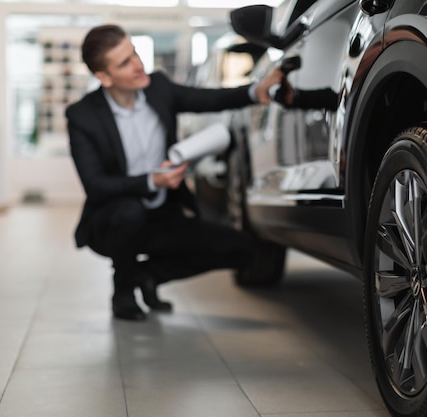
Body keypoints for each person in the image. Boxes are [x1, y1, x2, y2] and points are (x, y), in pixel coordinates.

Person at [65, 24, 283, 321]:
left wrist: (254, 91)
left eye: (135, 54)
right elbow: (96, 185)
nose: (138, 65)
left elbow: (209, 99)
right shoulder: (83, 116)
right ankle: (123, 292)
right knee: (129, 212)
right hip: (111, 222)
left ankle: (148, 276)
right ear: (104, 77)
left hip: (161, 215)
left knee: (243, 249)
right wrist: (152, 180)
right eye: (125, 62)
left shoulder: (159, 88)